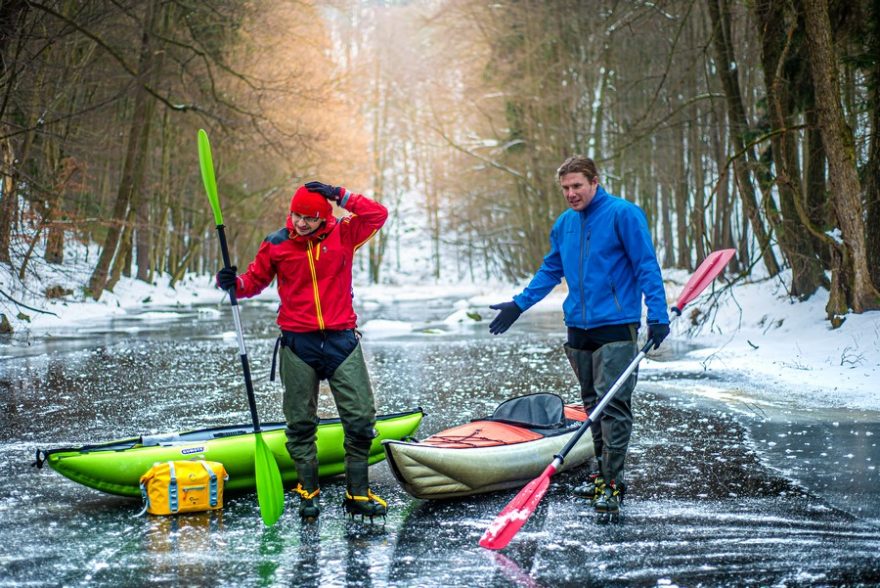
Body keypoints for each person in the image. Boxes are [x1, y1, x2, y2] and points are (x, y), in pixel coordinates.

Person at [488, 156, 669, 517]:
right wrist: (520, 304)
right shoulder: (565, 224)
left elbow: (646, 265)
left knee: (612, 406)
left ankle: (613, 483)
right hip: (578, 329)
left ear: (595, 181)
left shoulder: (623, 214)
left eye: (577, 186)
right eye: (566, 188)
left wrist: (658, 315)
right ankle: (601, 476)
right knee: (592, 408)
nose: (571, 194)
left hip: (616, 326)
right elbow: (551, 268)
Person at [216, 180, 388, 521]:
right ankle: (308, 493)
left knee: (360, 419)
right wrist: (232, 284)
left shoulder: (345, 234)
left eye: (309, 217)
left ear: (324, 216)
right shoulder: (276, 244)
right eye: (296, 215)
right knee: (300, 424)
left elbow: (377, 214)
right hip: (298, 344)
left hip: (341, 340)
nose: (301, 223)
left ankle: (357, 492)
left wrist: (340, 195)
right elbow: (254, 281)